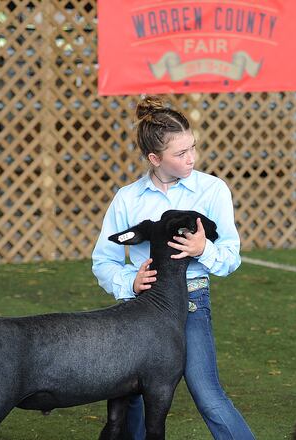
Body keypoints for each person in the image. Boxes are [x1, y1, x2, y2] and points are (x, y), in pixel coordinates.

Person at [92, 96, 255, 440]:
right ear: (155, 158)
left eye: (192, 148)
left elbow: (230, 257)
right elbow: (103, 260)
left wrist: (203, 248)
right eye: (180, 154)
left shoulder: (212, 190)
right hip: (138, 310)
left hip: (191, 305)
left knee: (207, 394)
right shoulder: (127, 198)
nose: (191, 158)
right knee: (130, 395)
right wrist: (129, 282)